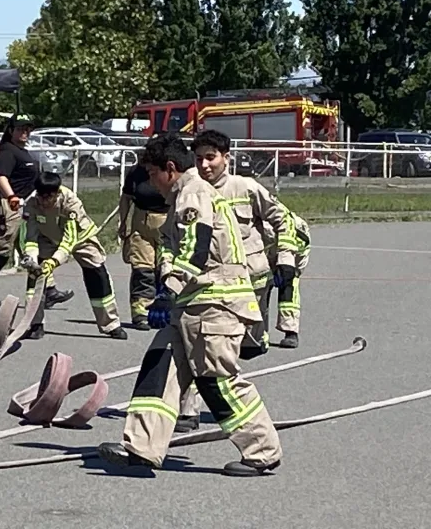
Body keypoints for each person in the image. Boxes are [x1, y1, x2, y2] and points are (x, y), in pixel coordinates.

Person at [96, 133, 282, 478]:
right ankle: (142, 448)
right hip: (190, 304)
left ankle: (262, 451)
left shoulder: (193, 193)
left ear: (169, 169)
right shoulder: (181, 196)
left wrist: (167, 291)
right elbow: (171, 247)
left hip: (215, 303)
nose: (150, 182)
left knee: (217, 380)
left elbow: (195, 248)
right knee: (159, 369)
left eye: (152, 173)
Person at [175, 129, 299, 432]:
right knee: (199, 345)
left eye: (211, 157)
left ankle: (248, 419)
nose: (205, 165)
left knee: (235, 350)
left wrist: (285, 259)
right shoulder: (189, 192)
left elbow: (284, 219)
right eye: (199, 158)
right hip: (205, 285)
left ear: (226, 158)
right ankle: (189, 411)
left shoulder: (245, 188)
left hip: (249, 282)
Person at [21, 171, 127, 341]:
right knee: (34, 277)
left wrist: (54, 262)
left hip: (80, 238)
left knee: (97, 275)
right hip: (48, 238)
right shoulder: (32, 204)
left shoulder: (71, 201)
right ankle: (35, 324)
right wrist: (31, 259)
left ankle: (111, 324)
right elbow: (30, 236)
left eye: (49, 197)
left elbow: (69, 240)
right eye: (41, 196)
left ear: (57, 192)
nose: (45, 201)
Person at [0, 113, 73, 310]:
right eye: (20, 128)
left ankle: (48, 289)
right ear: (11, 131)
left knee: (31, 247)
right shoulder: (8, 151)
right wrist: (11, 197)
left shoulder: (21, 150)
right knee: (2, 248)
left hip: (24, 206)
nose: (25, 132)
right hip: (8, 204)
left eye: (28, 129)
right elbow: (2, 177)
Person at [118, 162, 169, 330]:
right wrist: (123, 221)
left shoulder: (170, 170)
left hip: (167, 222)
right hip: (141, 223)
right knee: (142, 268)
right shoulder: (136, 171)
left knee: (166, 269)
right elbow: (126, 197)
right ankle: (140, 311)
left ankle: (167, 311)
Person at [263, 203, 311, 349]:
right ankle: (258, 333)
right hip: (267, 250)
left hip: (294, 251)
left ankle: (291, 331)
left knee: (288, 288)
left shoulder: (292, 226)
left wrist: (286, 266)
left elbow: (299, 248)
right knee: (259, 286)